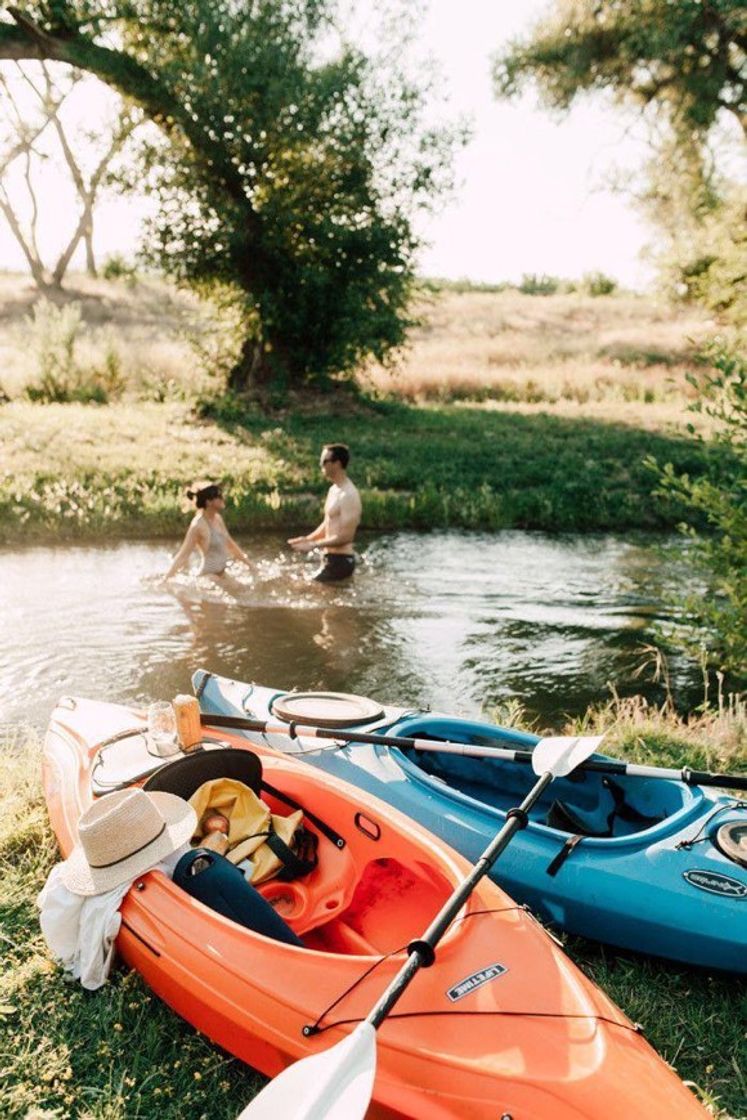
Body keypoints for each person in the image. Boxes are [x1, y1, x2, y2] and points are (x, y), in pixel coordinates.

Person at [288, 443, 362, 582]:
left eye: (324, 461)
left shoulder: (349, 495)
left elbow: (346, 537)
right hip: (329, 559)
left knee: (304, 588)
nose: (321, 465)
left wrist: (314, 545)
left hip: (341, 562)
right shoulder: (333, 490)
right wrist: (308, 539)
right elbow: (328, 523)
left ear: (337, 464)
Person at [165, 482, 251, 580]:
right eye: (218, 496)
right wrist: (166, 579)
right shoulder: (198, 525)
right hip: (208, 577)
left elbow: (230, 544)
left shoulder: (217, 518)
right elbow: (183, 555)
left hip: (221, 574)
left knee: (244, 590)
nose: (222, 498)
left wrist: (250, 566)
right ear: (208, 502)